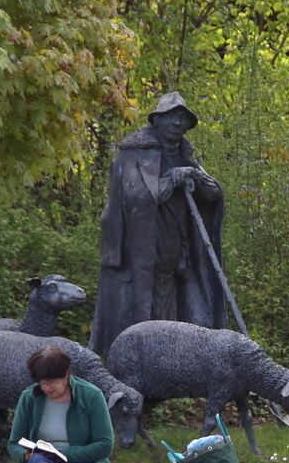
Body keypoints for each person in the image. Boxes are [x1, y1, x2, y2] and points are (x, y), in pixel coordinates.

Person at [89, 92, 227, 359]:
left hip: (180, 255)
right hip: (140, 255)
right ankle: (142, 364)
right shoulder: (133, 156)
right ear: (157, 121)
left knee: (178, 313)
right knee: (142, 313)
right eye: (171, 117)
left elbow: (213, 195)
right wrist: (172, 179)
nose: (177, 123)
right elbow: (137, 198)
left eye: (182, 118)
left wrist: (197, 178)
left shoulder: (187, 158)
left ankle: (170, 366)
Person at [7, 346, 114, 463]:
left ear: (66, 374)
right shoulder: (29, 397)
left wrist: (65, 456)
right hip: (40, 461)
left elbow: (105, 445)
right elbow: (14, 443)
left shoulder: (92, 396)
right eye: (41, 382)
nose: (46, 388)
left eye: (51, 382)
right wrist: (26, 455)